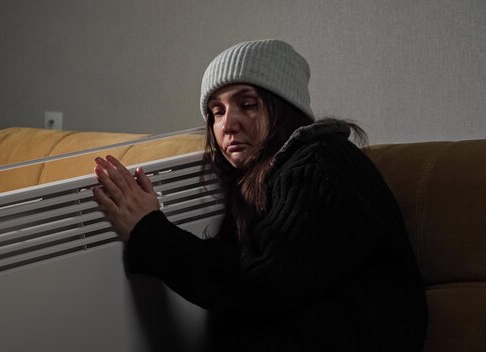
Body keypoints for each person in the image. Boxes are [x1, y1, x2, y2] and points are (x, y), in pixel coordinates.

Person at [92, 39, 427, 351]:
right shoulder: (260, 178)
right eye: (216, 112)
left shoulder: (319, 165)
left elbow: (252, 286)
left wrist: (149, 229)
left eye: (247, 104)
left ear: (285, 107)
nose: (227, 125)